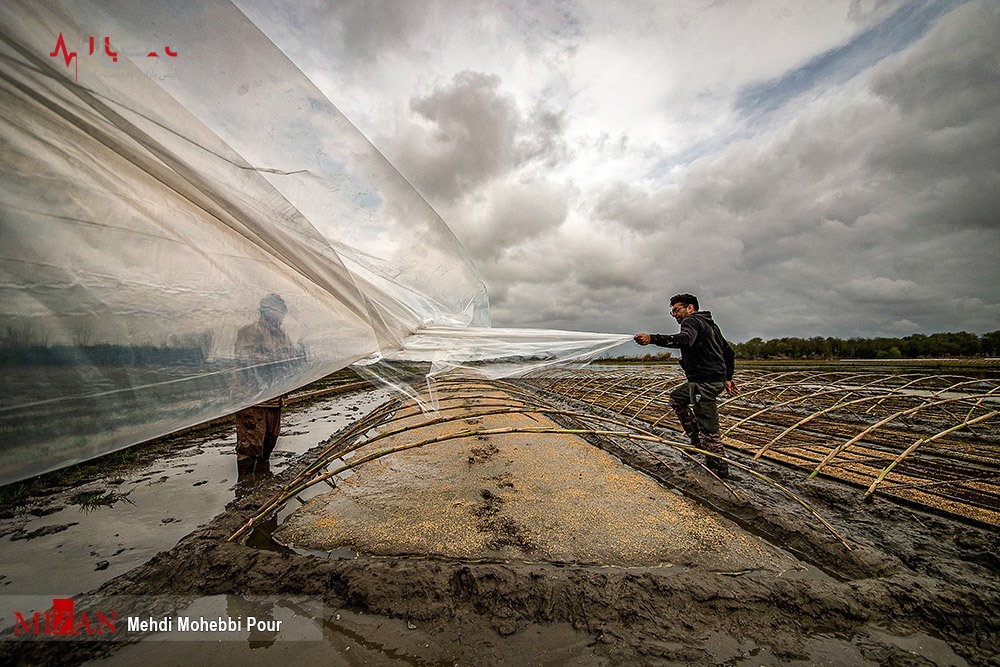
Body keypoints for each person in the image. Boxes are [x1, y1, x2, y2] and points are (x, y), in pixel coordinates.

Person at [634, 293, 739, 478]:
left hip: (703, 383)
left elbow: (685, 340)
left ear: (690, 308)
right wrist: (728, 378)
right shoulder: (711, 325)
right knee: (677, 398)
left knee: (709, 429)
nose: (674, 315)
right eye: (672, 312)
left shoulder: (691, 322)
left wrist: (652, 338)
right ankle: (697, 442)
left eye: (677, 310)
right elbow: (729, 352)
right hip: (711, 381)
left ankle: (719, 472)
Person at [234, 293, 300, 474]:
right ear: (265, 311)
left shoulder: (281, 335)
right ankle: (247, 486)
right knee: (251, 444)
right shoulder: (249, 332)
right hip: (253, 399)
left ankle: (262, 481)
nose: (281, 315)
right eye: (277, 310)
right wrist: (276, 359)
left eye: (282, 311)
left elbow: (292, 357)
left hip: (274, 398)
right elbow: (247, 359)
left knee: (269, 441)